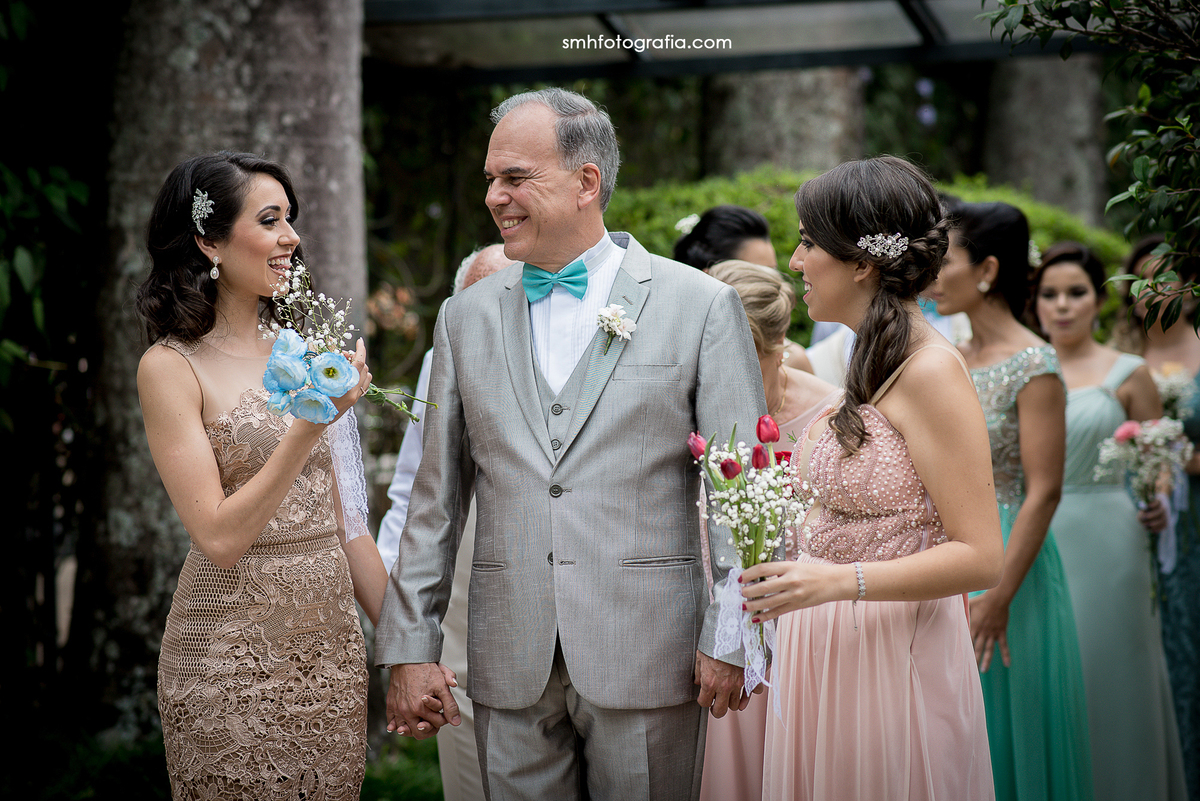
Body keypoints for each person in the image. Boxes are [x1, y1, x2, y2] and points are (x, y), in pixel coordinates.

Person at [374, 88, 766, 801]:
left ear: (587, 182)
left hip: (650, 653)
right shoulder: (463, 318)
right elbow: (435, 502)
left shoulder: (701, 306)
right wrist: (408, 646)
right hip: (507, 654)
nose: (493, 197)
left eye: (515, 177)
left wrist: (732, 634)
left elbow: (741, 492)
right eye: (490, 179)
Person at [740, 155, 1004, 800]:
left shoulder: (930, 370)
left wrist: (836, 581)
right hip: (825, 647)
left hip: (892, 656)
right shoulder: (871, 356)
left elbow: (981, 555)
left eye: (808, 243)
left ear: (860, 263)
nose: (795, 262)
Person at [134, 151, 385, 799]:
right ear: (209, 241)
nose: (291, 237)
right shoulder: (170, 366)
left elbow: (348, 523)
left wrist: (409, 649)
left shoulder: (309, 352)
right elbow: (218, 537)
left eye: (290, 219)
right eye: (270, 220)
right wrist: (308, 425)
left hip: (330, 656)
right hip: (230, 657)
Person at [928, 200, 1093, 801]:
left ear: (989, 270)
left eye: (945, 260)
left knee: (1006, 724)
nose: (932, 274)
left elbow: (1045, 490)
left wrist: (997, 597)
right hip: (943, 549)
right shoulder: (948, 354)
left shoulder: (1034, 364)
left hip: (1009, 561)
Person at [1031, 242, 1187, 800]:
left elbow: (1158, 454)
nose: (1062, 305)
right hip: (1034, 532)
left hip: (1111, 538)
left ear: (1098, 301)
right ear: (1035, 302)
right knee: (1045, 674)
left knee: (1111, 665)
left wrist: (1159, 495)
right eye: (1049, 294)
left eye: (1076, 293)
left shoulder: (1128, 370)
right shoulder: (1024, 367)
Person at [376, 242, 515, 801]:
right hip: (462, 583)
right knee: (470, 756)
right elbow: (414, 480)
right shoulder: (442, 359)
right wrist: (394, 603)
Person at [699, 259, 837, 801]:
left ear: (779, 347)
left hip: (801, 625)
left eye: (740, 356)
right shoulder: (688, 407)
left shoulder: (832, 416)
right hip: (708, 623)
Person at [1116, 235, 1200, 801]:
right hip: (1133, 518)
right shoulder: (1117, 354)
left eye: (1166, 278)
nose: (1154, 291)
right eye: (1142, 280)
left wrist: (1183, 459)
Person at [675, 204, 813, 373]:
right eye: (757, 274)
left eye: (773, 272)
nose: (775, 283)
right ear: (710, 276)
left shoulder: (793, 359)